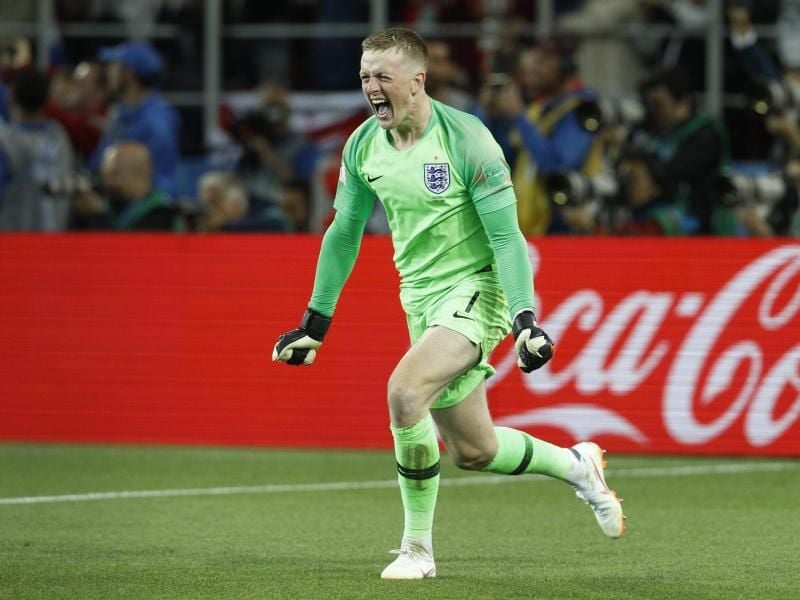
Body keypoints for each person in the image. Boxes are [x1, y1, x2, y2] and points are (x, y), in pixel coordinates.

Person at [272, 28, 625, 581]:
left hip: (479, 291)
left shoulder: (468, 140)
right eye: (364, 76)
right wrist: (314, 322)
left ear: (417, 81)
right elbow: (343, 232)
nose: (370, 88)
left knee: (404, 393)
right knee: (474, 450)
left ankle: (417, 549)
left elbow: (509, 240)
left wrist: (524, 319)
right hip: (421, 300)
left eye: (382, 77)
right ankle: (578, 466)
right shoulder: (363, 145)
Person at [89, 40, 181, 197]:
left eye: (114, 65)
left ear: (128, 73)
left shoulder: (155, 122)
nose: (109, 72)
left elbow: (154, 184)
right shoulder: (121, 112)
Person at [0, 67, 75, 231]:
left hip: (15, 248)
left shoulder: (5, 143)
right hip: (56, 243)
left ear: (12, 96)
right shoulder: (60, 136)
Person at [70, 141, 177, 231]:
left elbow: (130, 250)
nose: (107, 182)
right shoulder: (113, 202)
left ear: (138, 174)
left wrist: (98, 216)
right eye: (105, 175)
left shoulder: (161, 213)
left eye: (115, 174)